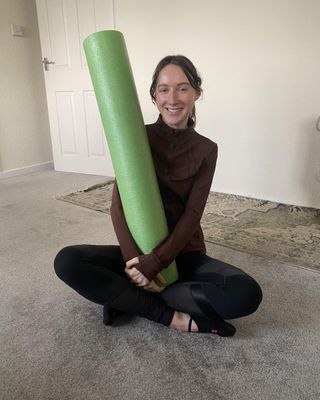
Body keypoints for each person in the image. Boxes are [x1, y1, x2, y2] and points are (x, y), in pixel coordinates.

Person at [54, 55, 262, 337]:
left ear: (196, 93)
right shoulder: (136, 136)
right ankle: (170, 317)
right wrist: (137, 265)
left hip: (183, 254)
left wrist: (156, 264)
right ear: (154, 96)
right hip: (138, 253)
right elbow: (118, 205)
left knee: (245, 293)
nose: (172, 98)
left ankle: (125, 298)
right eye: (163, 89)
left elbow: (192, 214)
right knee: (68, 261)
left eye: (182, 88)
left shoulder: (206, 150)